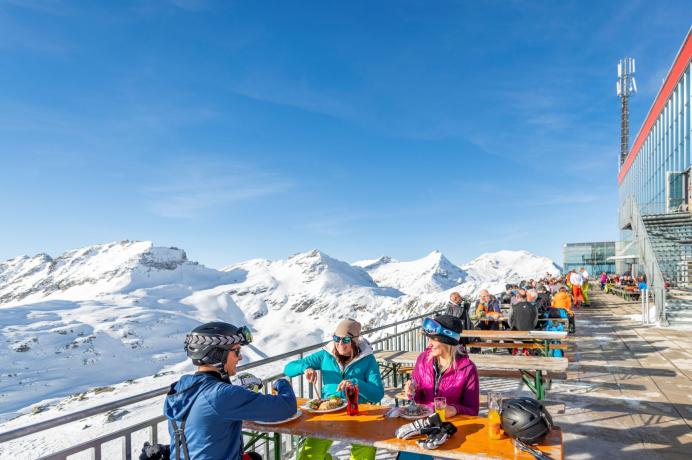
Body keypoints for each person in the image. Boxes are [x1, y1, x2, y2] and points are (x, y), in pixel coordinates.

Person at [164, 322, 297, 460]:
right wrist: (282, 383)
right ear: (217, 355)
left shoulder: (178, 389)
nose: (240, 357)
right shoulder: (221, 394)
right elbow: (286, 406)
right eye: (237, 351)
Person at [283, 319, 384, 460]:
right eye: (337, 338)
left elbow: (377, 394)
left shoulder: (368, 360)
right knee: (309, 455)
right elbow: (288, 368)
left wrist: (355, 383)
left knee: (364, 454)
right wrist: (305, 368)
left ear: (354, 340)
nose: (340, 344)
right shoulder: (326, 355)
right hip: (328, 412)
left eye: (346, 340)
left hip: (359, 411)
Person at [404, 315, 480, 416]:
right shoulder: (423, 360)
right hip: (424, 421)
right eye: (429, 339)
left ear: (447, 342)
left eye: (434, 339)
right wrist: (411, 391)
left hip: (452, 425)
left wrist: (454, 409)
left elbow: (472, 411)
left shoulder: (467, 369)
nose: (429, 344)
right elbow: (417, 398)